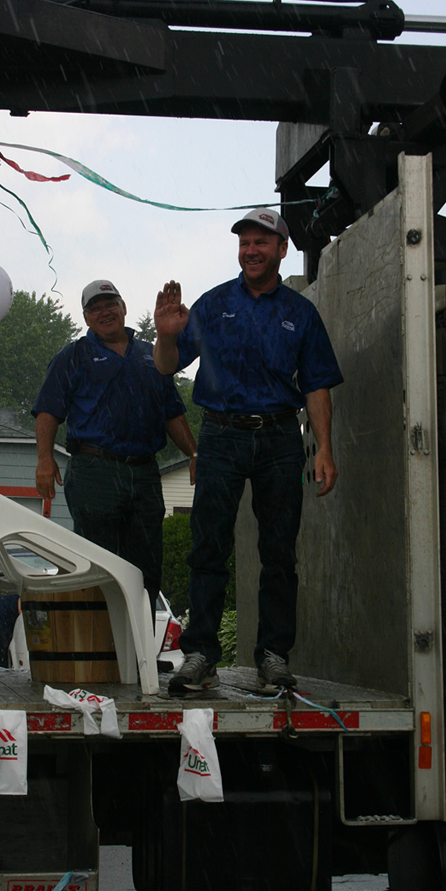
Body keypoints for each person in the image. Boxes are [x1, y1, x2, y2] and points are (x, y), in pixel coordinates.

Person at [153, 208, 343, 695]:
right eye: (245, 243)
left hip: (281, 438)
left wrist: (323, 448)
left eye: (262, 242)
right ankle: (200, 655)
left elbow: (318, 386)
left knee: (279, 551)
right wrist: (166, 335)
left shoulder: (300, 313)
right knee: (208, 545)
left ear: (282, 249)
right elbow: (166, 366)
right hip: (220, 434)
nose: (251, 250)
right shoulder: (213, 304)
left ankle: (274, 658)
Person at [32, 279, 197, 620]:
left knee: (146, 568)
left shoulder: (152, 355)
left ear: (123, 307)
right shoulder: (72, 356)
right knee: (97, 564)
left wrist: (195, 453)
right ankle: (100, 659)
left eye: (110, 304)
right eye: (95, 307)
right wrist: (45, 459)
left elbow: (173, 412)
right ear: (86, 317)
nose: (104, 311)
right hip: (94, 471)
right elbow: (48, 411)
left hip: (144, 473)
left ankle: (139, 660)